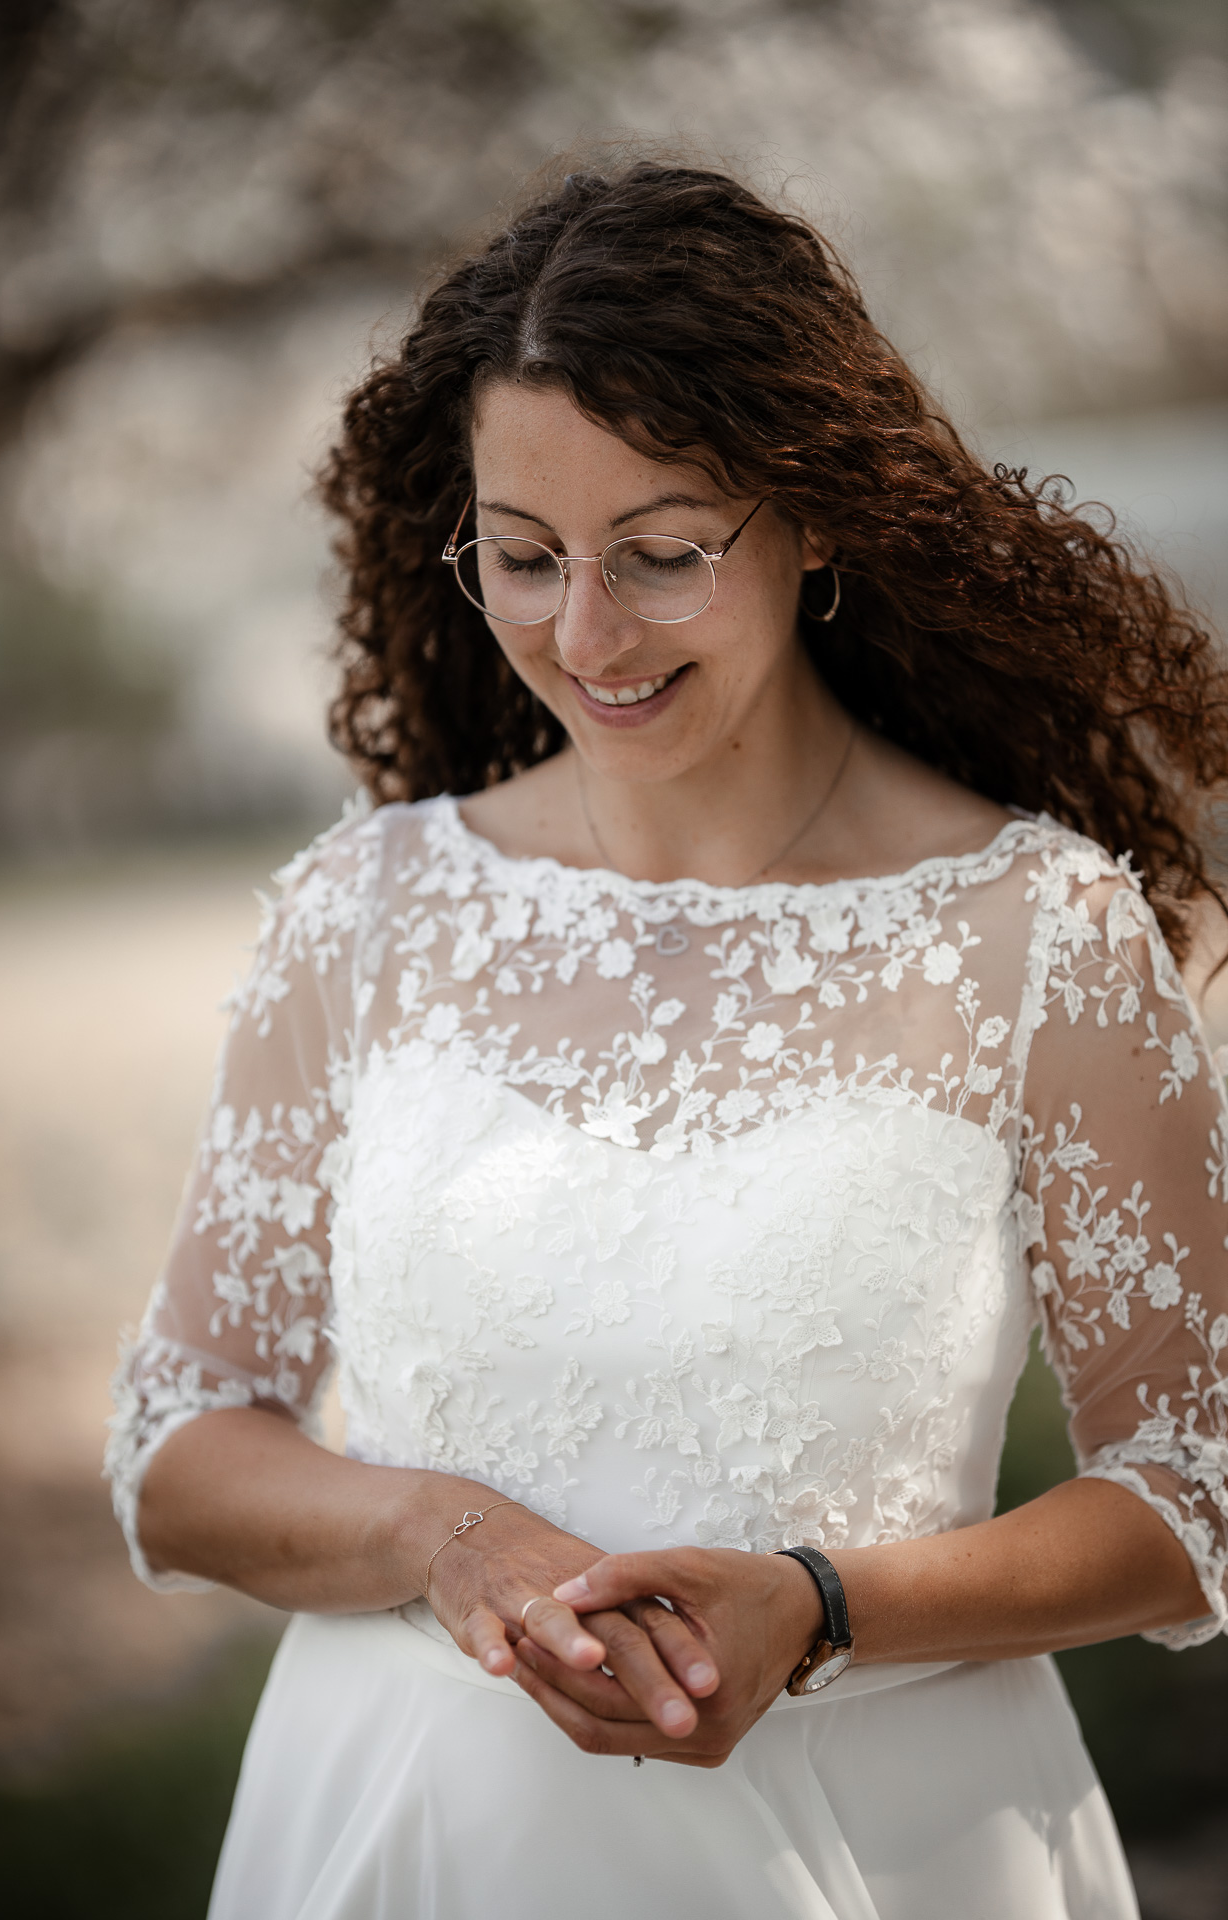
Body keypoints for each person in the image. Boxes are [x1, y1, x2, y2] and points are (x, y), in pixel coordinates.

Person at [106, 162, 1228, 1920]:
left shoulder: (1043, 935)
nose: (588, 635)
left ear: (819, 515)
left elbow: (1191, 1486)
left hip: (890, 1840)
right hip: (401, 1833)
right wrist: (439, 1536)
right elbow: (180, 1448)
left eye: (662, 552)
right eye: (528, 559)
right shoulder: (367, 911)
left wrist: (824, 1609)